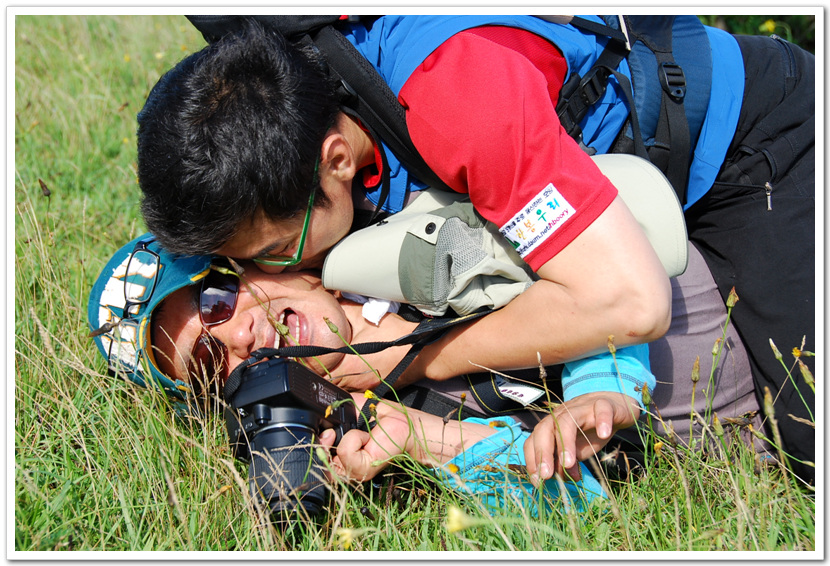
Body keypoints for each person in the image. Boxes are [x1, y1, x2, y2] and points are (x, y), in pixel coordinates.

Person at [135, 16, 814, 484]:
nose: (265, 281)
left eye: (279, 252)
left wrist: (404, 357)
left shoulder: (459, 100)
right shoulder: (293, 124)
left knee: (811, 436)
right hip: (626, 185)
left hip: (760, 150)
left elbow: (629, 303)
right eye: (236, 271)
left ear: (335, 160)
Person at [89, 234, 655, 513]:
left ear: (257, 261)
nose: (239, 335)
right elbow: (589, 495)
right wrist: (420, 437)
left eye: (215, 299)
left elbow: (584, 261)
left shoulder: (402, 223)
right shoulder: (365, 433)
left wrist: (602, 384)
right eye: (211, 364)